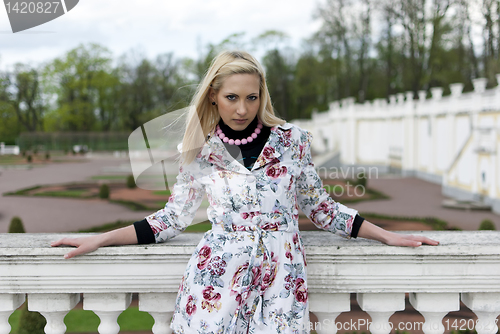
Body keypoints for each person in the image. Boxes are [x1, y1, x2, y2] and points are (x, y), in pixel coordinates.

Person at [52, 50, 439, 333]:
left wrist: (387, 235)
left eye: (251, 97)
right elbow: (171, 219)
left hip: (281, 275)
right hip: (216, 279)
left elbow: (320, 208)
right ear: (213, 97)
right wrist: (101, 239)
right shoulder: (197, 151)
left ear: (262, 95)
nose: (242, 109)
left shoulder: (292, 141)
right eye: (232, 98)